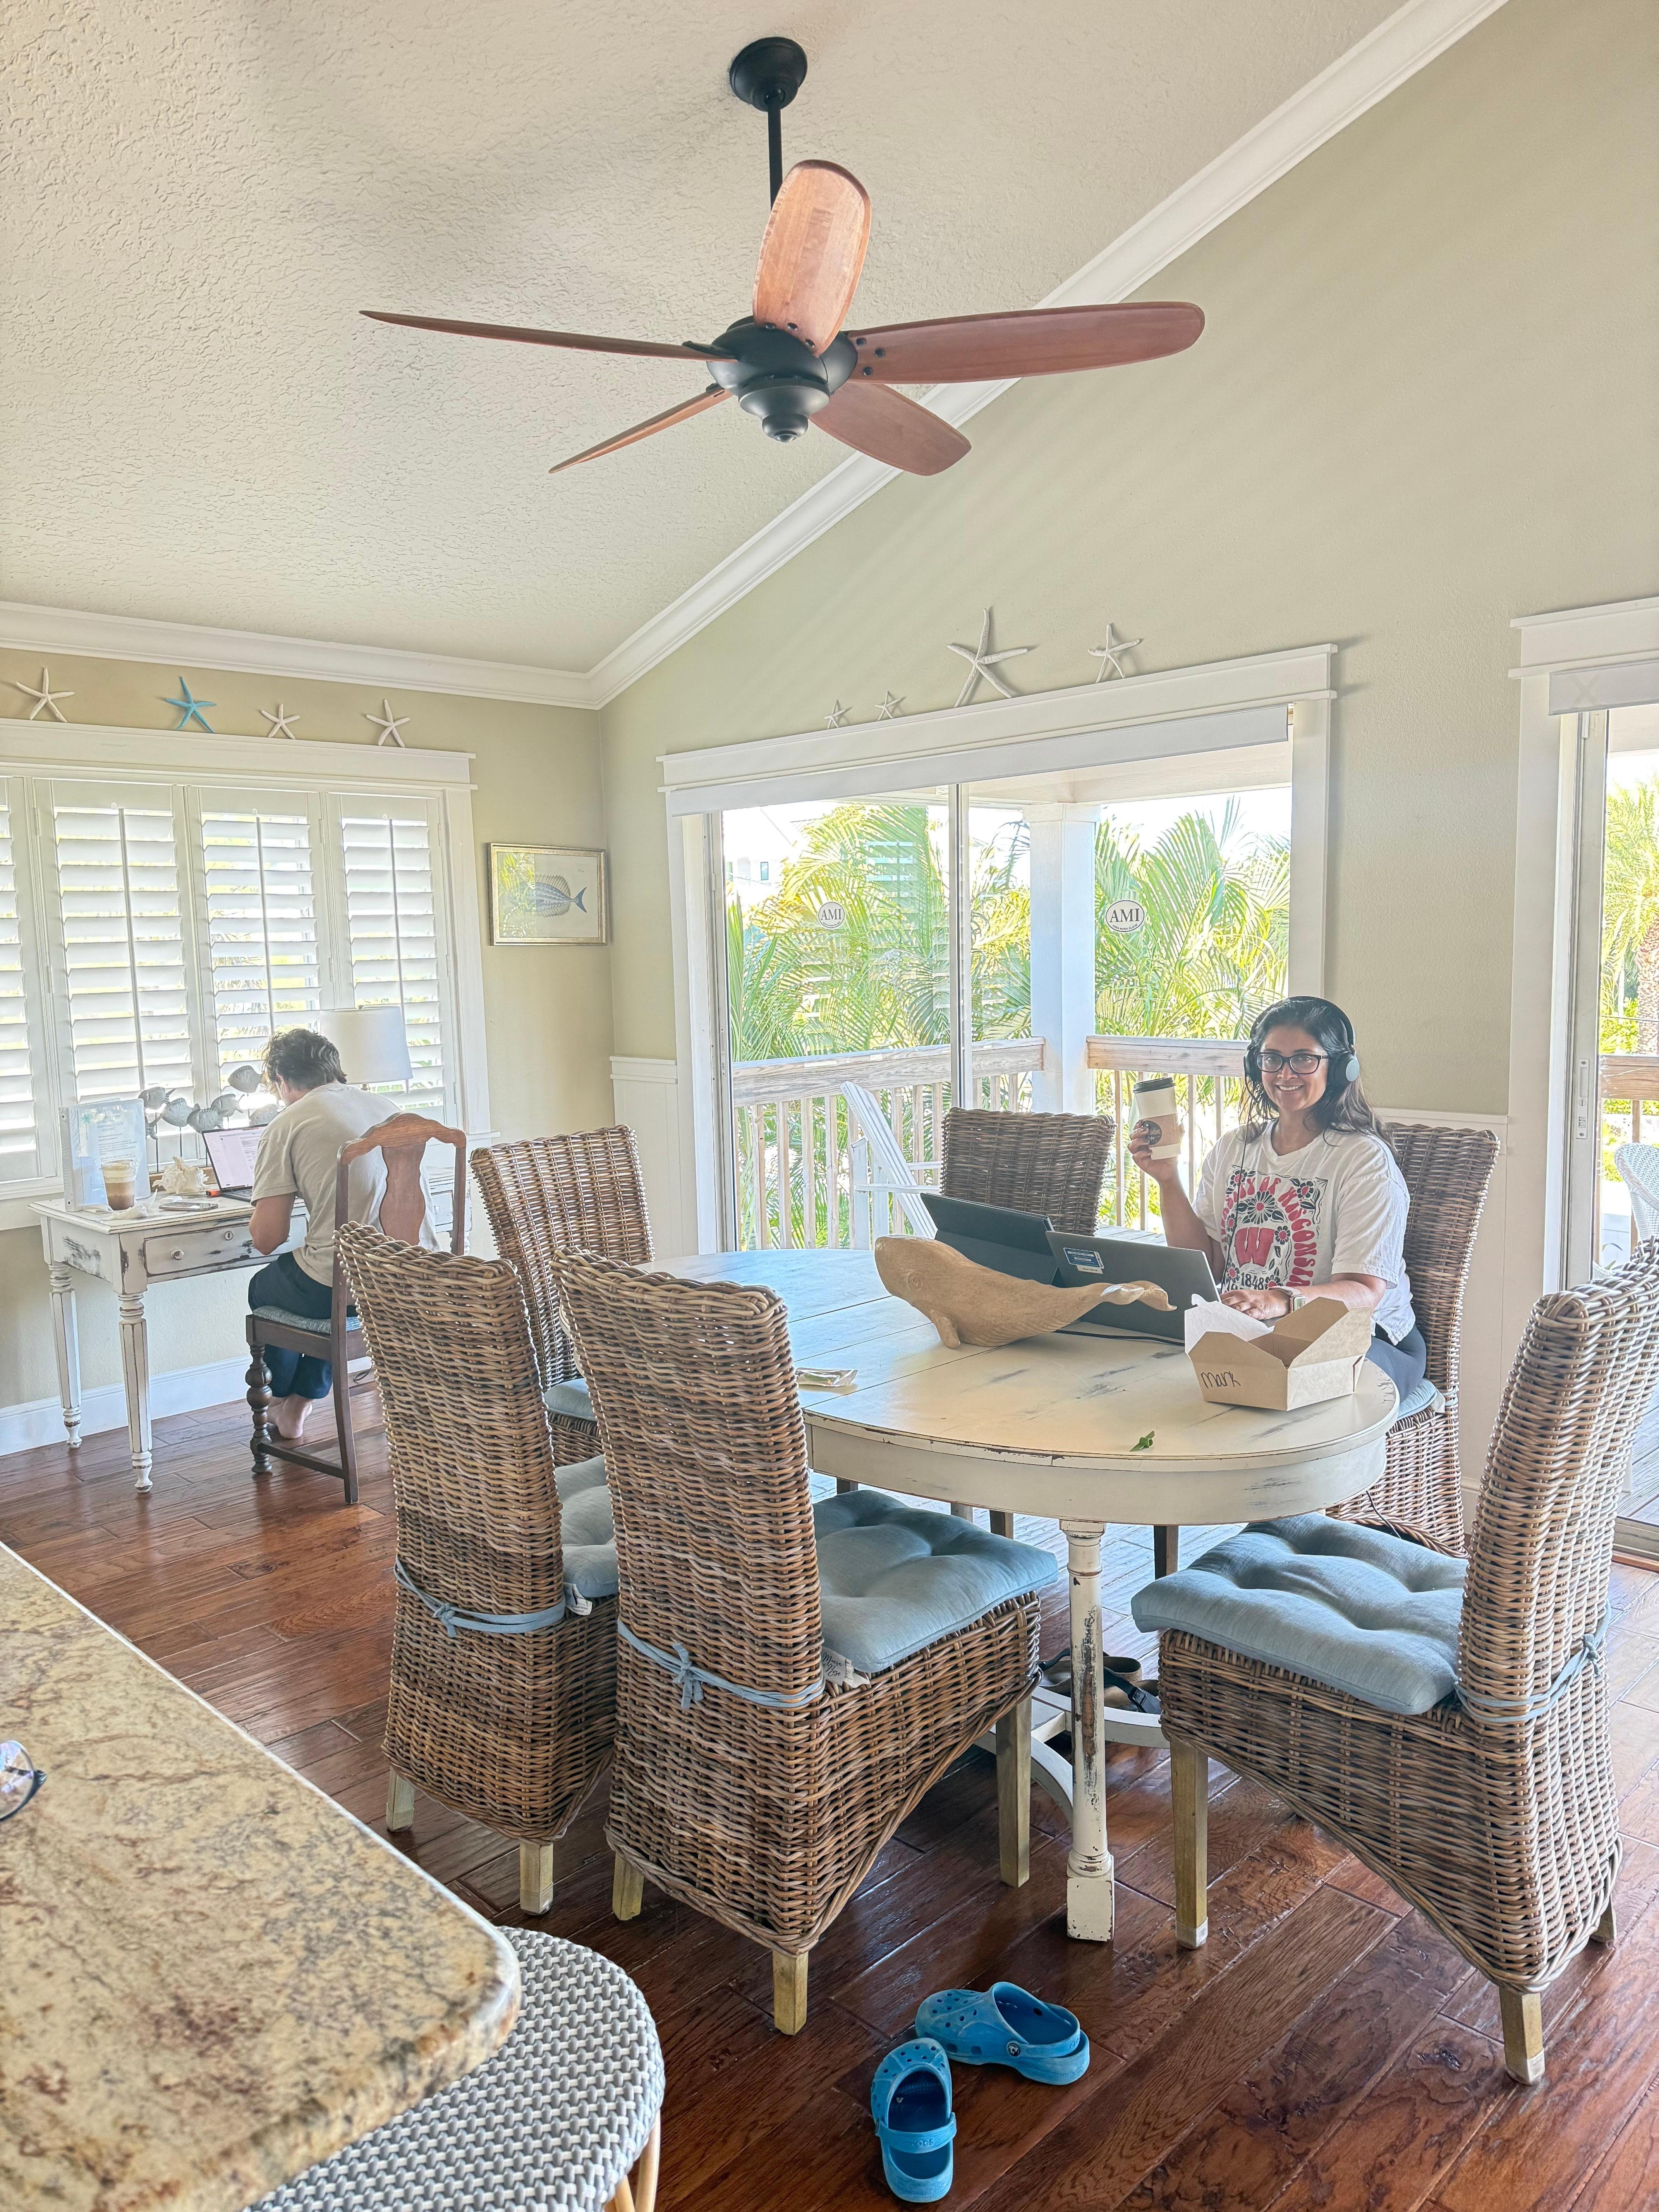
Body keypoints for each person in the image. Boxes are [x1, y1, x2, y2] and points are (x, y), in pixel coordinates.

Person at [1128, 994, 1427, 1398]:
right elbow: (1206, 1265)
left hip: (1368, 1338)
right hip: (1261, 1331)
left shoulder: (1363, 1160)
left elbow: (1363, 1292)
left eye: (1304, 1059)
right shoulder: (1235, 1147)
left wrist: (1280, 1300)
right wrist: (1168, 1180)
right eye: (1272, 1059)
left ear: (1340, 1067)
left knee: (1268, 1397)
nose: (1285, 1074)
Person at [246, 1027, 424, 1442]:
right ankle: (298, 1406)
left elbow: (267, 1239)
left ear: (281, 1081)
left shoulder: (289, 1122)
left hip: (350, 1285)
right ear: (334, 1070)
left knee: (267, 1286)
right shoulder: (389, 1108)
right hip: (412, 1276)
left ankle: (281, 1399)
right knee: (334, 1281)